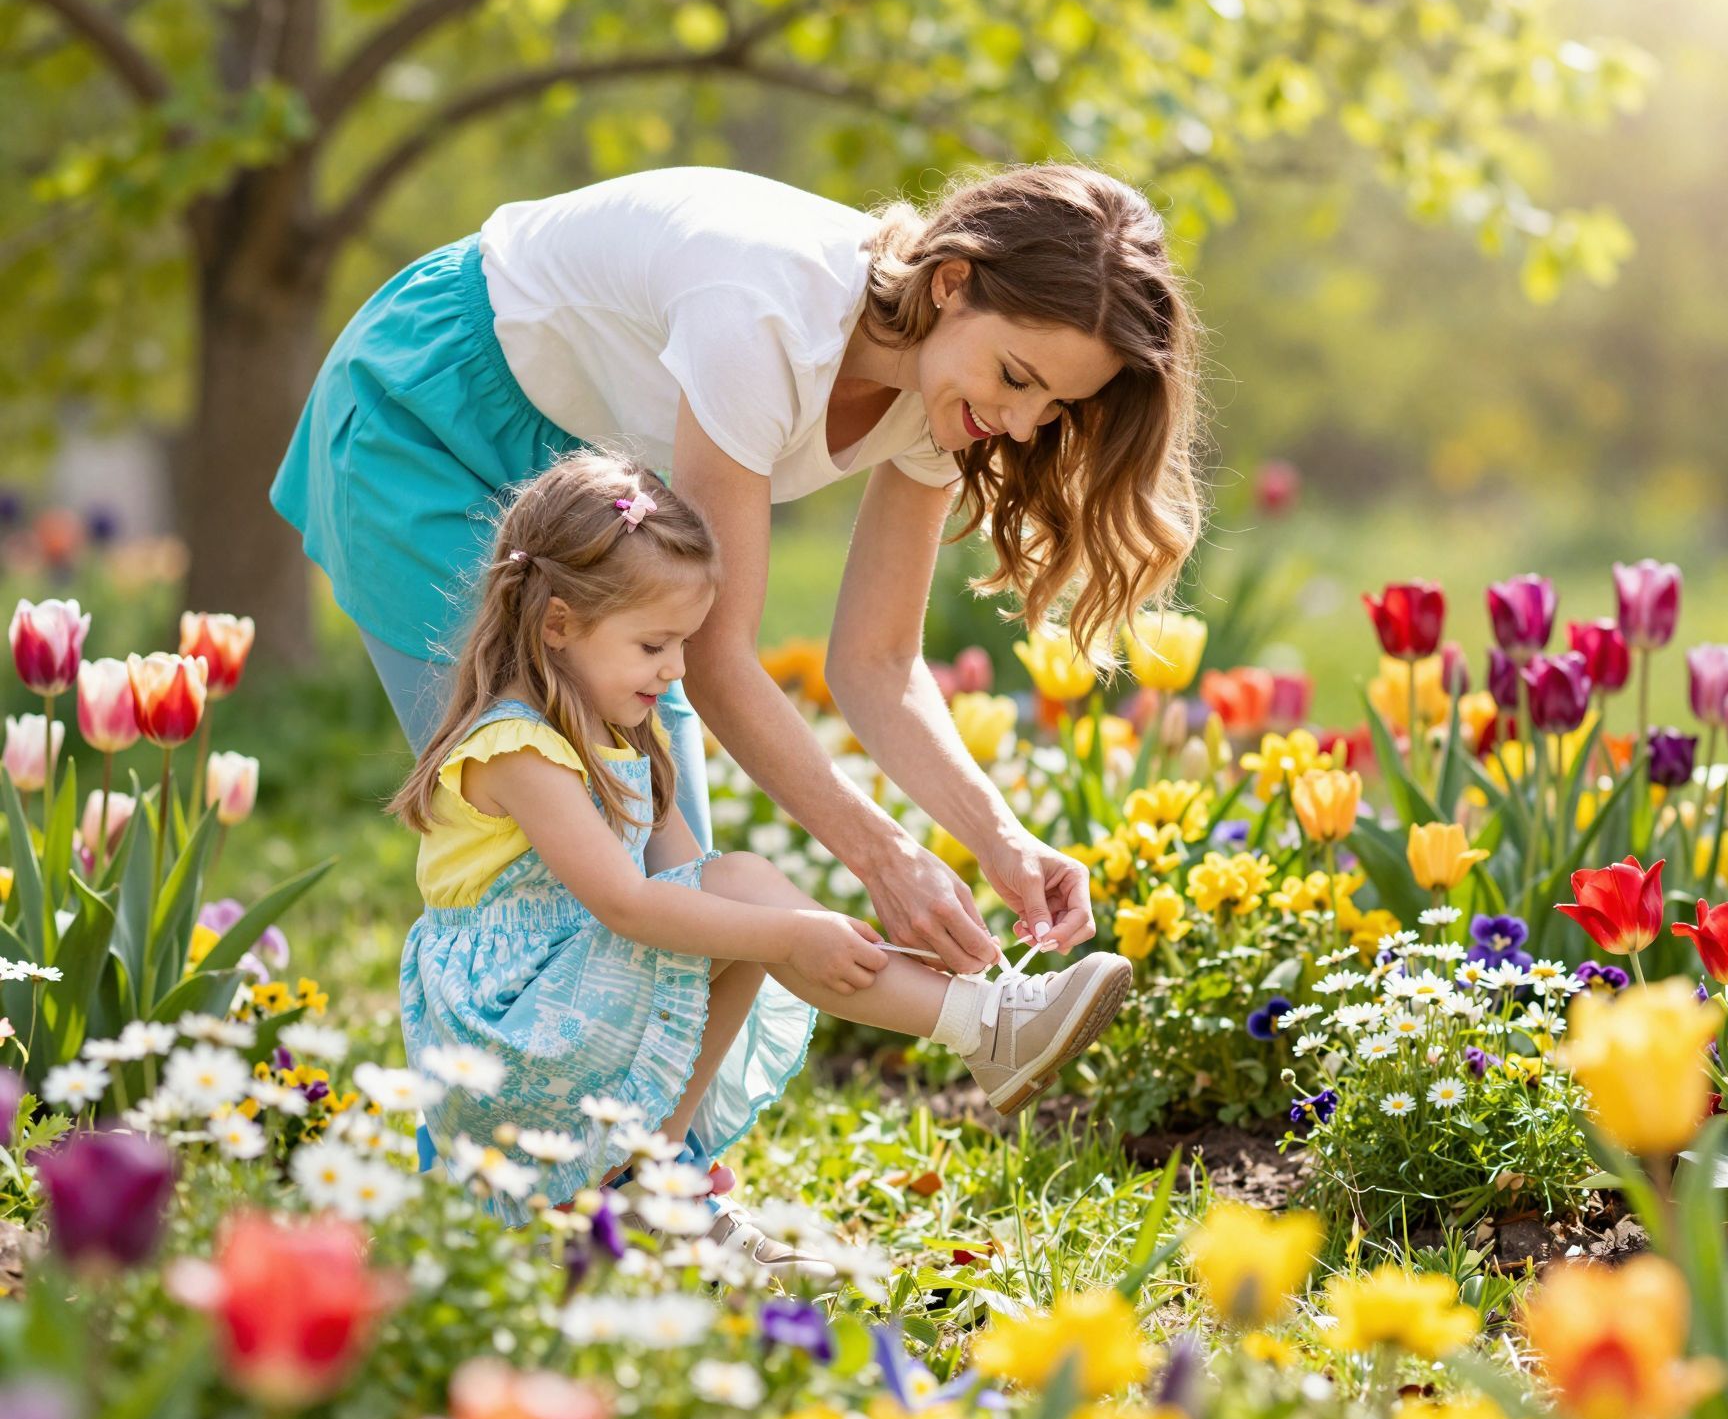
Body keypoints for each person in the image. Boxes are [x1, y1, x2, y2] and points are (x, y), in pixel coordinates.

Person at [271, 162, 1205, 977]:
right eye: (1016, 375)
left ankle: (664, 1180)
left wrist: (998, 839)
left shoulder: (945, 400)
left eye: (1054, 403)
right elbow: (716, 660)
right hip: (425, 412)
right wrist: (883, 857)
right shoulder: (765, 314)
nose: (1022, 425)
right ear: (952, 282)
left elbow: (876, 664)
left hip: (582, 477)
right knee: (540, 850)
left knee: (678, 871)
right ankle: (515, 1169)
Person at [390, 452, 1133, 1261]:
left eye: (683, 644)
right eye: (653, 645)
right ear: (557, 624)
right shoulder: (517, 748)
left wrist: (798, 934)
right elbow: (629, 906)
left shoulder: (617, 731)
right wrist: (784, 936)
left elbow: (687, 886)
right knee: (741, 900)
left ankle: (649, 1188)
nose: (676, 670)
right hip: (503, 1033)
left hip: (563, 1004)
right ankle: (987, 1026)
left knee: (734, 905)